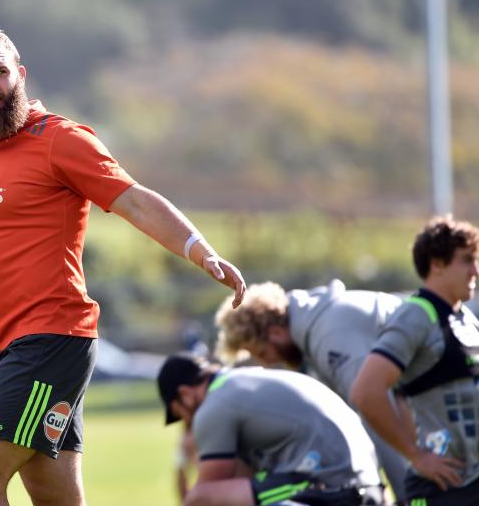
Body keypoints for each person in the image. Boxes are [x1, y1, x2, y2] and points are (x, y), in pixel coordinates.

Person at [0, 26, 246, 506]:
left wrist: (199, 248)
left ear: (19, 75)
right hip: (6, 345)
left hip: (50, 340)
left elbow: (136, 202)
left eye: (0, 73)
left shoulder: (59, 140)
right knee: (54, 496)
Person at [214, 279, 408, 503]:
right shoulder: (319, 328)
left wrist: (407, 496)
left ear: (276, 332)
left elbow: (374, 409)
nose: (266, 363)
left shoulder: (329, 337)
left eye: (262, 353)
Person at [351, 215, 479, 506]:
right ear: (437, 264)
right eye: (466, 260)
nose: (476, 270)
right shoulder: (417, 315)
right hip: (443, 487)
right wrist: (416, 455)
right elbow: (366, 391)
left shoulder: (465, 319)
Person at [157, 352, 384, 506]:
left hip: (331, 485)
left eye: (180, 415)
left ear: (185, 395)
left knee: (200, 497)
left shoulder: (213, 407)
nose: (187, 422)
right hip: (368, 481)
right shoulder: (245, 380)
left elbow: (209, 492)